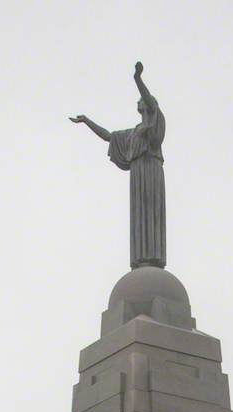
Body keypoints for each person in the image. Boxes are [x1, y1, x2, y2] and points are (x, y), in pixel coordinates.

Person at [70, 62, 166, 269]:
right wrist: (87, 121)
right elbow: (109, 137)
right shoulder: (133, 133)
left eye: (142, 100)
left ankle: (155, 256)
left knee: (152, 211)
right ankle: (141, 258)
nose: (139, 101)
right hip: (138, 174)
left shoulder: (154, 124)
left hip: (151, 170)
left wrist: (137, 78)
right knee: (140, 213)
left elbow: (150, 101)